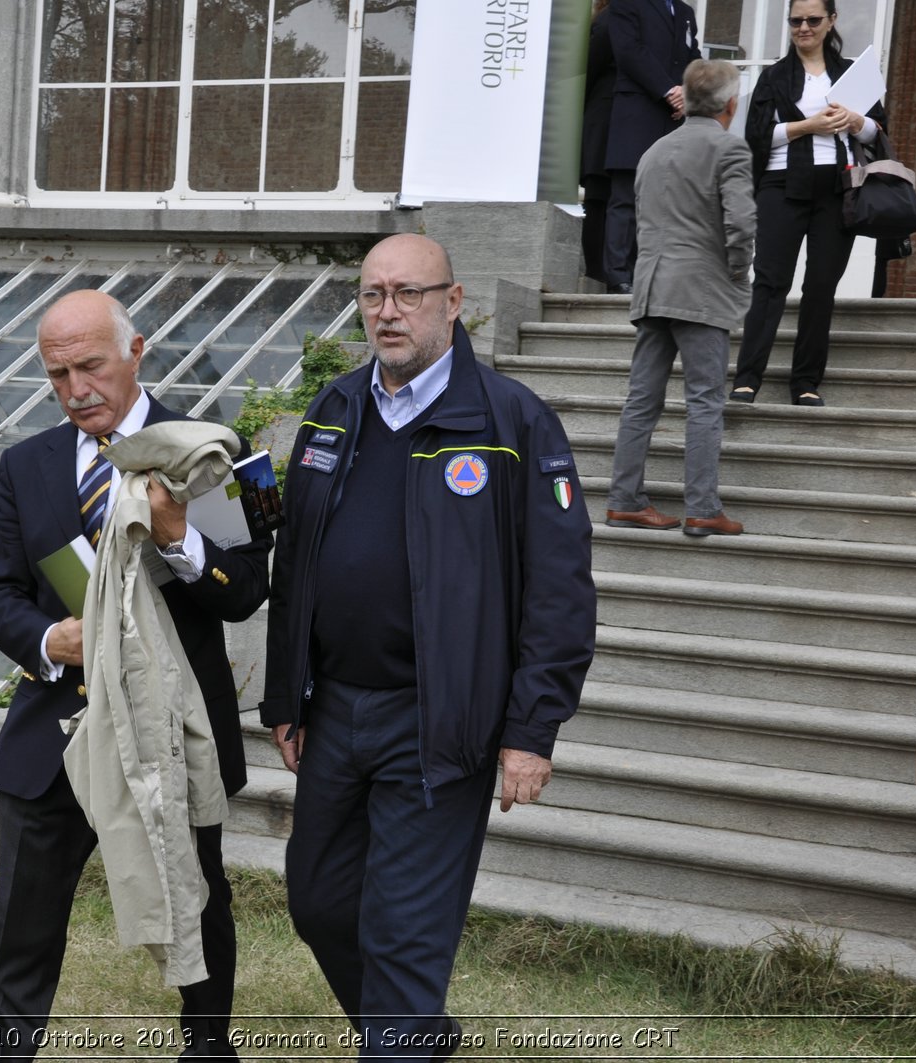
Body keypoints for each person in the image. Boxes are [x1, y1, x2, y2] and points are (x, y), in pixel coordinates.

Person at [261, 234, 596, 1057]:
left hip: (440, 722)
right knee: (319, 902)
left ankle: (400, 1034)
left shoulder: (511, 420)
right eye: (373, 294)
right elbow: (297, 558)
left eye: (408, 293)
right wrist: (285, 695)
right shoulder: (334, 408)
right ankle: (412, 1034)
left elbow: (559, 589)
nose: (387, 311)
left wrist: (530, 729)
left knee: (405, 933)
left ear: (453, 301)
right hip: (336, 712)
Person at [0, 289, 271, 1061]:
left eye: (91, 367)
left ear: (136, 352)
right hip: (55, 738)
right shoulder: (25, 465)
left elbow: (245, 590)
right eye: (58, 374)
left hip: (173, 732)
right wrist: (49, 638)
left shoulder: (208, 452)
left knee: (195, 903)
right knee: (22, 925)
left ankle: (209, 1051)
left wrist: (179, 537)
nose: (77, 390)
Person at [605, 59, 755, 539]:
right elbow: (742, 223)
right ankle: (703, 507)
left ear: (686, 101)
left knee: (641, 402)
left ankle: (624, 499)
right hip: (701, 291)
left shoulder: (653, 151)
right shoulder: (729, 148)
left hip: (653, 287)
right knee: (706, 401)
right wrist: (737, 270)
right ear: (731, 105)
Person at [729, 0, 884, 407]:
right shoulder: (774, 76)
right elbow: (756, 135)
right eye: (796, 20)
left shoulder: (851, 72)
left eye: (813, 20)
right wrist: (808, 126)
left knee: (820, 286)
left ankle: (806, 382)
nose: (804, 28)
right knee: (770, 281)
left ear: (831, 21)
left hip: (837, 190)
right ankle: (747, 378)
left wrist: (856, 121)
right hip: (781, 186)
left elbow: (877, 131)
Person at [601, 0, 700, 294]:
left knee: (663, 201)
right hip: (636, 114)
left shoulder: (684, 12)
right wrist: (668, 90)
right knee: (625, 198)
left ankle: (650, 273)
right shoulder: (626, 4)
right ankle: (618, 274)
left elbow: (692, 57)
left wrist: (688, 94)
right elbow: (630, 51)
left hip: (672, 119)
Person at [580, 0, 617, 285]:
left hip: (606, 122)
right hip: (605, 123)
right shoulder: (609, 21)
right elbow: (588, 71)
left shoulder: (606, 20)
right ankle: (596, 271)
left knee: (600, 200)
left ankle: (600, 270)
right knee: (598, 200)